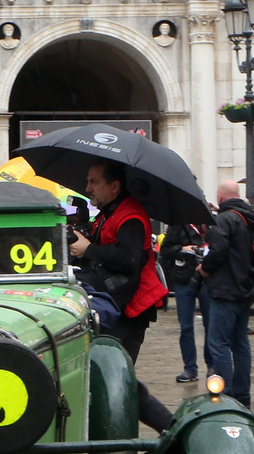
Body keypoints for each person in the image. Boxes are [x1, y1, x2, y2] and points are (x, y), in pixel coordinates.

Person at [71, 160, 173, 431]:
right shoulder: (108, 212)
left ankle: (171, 430)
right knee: (112, 374)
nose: (88, 188)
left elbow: (126, 258)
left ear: (114, 186)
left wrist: (89, 249)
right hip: (117, 304)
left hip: (131, 307)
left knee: (117, 377)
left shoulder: (131, 216)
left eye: (94, 182)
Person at [199, 181, 254, 404]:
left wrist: (204, 268)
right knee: (240, 342)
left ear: (220, 197)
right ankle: (243, 394)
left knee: (218, 342)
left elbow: (218, 250)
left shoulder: (223, 219)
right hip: (246, 288)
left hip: (225, 289)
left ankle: (226, 395)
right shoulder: (249, 219)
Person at [159, 217, 208, 383]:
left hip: (206, 279)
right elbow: (165, 250)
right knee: (186, 326)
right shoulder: (177, 225)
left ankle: (212, 366)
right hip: (184, 279)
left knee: (210, 325)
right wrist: (182, 248)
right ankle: (190, 368)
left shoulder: (209, 224)